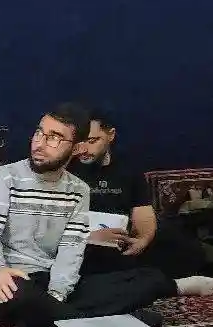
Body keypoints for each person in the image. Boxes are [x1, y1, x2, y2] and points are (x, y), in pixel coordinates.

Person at [0, 104, 176, 327]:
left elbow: (71, 248)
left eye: (54, 138)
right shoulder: (4, 177)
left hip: (47, 282)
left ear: (76, 147)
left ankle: (46, 317)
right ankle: (104, 326)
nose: (39, 143)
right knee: (20, 293)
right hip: (6, 281)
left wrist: (55, 296)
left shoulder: (78, 190)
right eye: (39, 132)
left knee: (149, 279)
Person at [71, 112, 212, 293]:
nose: (84, 149)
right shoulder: (67, 168)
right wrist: (89, 237)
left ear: (110, 135)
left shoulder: (127, 168)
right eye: (79, 141)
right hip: (83, 242)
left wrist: (142, 240)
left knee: (178, 242)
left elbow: (143, 213)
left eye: (92, 141)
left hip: (122, 241)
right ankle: (168, 285)